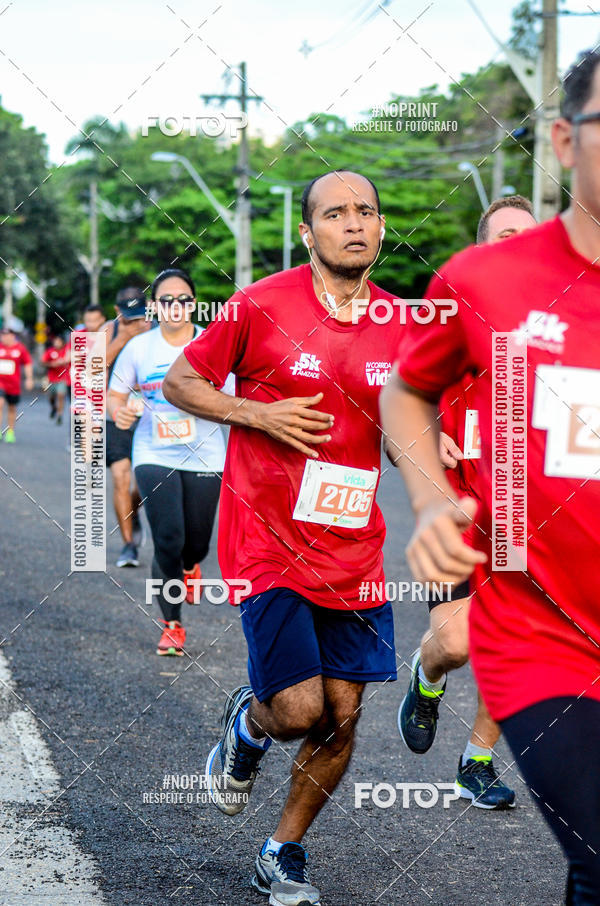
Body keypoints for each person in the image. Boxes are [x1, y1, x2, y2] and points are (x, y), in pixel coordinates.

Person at [381, 49, 600, 905]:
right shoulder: (483, 281)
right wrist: (432, 502)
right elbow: (407, 388)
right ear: (564, 141)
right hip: (537, 622)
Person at [163, 170, 400, 906]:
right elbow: (180, 382)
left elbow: (410, 428)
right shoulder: (261, 304)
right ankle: (249, 722)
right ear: (308, 233)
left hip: (355, 543)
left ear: (382, 227)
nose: (353, 223)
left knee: (346, 712)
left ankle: (282, 850)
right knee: (299, 710)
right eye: (335, 214)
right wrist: (256, 415)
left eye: (365, 211)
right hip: (269, 537)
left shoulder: (404, 322)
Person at [398, 195, 536, 810]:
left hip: (524, 515)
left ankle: (475, 763)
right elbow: (395, 395)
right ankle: (426, 680)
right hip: (457, 509)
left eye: (526, 236)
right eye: (503, 234)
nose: (516, 244)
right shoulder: (446, 315)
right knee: (455, 645)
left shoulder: (555, 326)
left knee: (513, 647)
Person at [108, 269, 229, 656]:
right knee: (168, 539)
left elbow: (231, 400)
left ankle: (192, 565)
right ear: (155, 307)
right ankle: (172, 625)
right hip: (153, 453)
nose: (175, 307)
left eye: (183, 300)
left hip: (206, 454)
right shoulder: (139, 348)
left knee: (196, 542)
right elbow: (115, 395)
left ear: (193, 304)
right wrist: (120, 412)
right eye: (166, 301)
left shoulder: (212, 344)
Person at [103, 287, 151, 567]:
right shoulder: (110, 331)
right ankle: (128, 545)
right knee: (121, 477)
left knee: (141, 484)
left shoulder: (158, 327)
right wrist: (123, 338)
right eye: (129, 317)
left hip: (148, 414)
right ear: (118, 311)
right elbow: (92, 370)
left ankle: (134, 511)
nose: (137, 322)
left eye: (140, 316)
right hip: (115, 415)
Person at [0, 326, 33, 442]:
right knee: (0, 403)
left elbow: (27, 363)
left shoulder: (20, 349)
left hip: (14, 384)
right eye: (2, 335)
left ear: (12, 336)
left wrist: (29, 378)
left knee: (12, 408)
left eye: (6, 335)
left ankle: (10, 432)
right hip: (1, 383)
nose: (3, 338)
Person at [41, 335, 71, 425]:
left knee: (61, 395)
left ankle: (59, 415)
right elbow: (43, 362)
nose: (56, 343)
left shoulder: (67, 350)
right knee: (51, 397)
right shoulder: (50, 351)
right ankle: (54, 407)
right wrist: (52, 364)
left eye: (58, 341)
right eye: (55, 341)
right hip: (51, 379)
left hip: (63, 378)